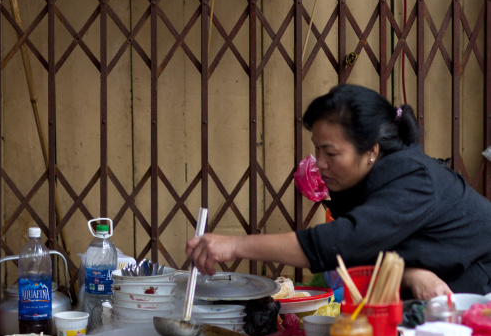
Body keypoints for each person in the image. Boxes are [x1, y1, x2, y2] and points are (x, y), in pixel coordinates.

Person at [187, 83, 491, 299]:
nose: (320, 164)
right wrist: (410, 273)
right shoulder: (365, 180)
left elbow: (342, 243)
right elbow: (367, 249)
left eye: (331, 154)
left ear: (371, 150)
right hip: (440, 288)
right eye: (317, 151)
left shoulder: (413, 180)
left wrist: (236, 246)